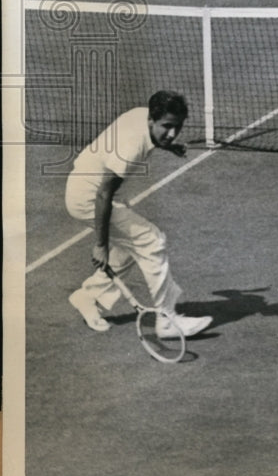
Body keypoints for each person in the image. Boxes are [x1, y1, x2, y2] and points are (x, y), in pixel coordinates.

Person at [65, 90, 213, 338]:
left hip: (88, 186)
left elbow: (152, 139)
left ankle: (88, 296)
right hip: (88, 197)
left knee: (130, 246)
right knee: (152, 241)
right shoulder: (131, 146)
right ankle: (167, 320)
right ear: (152, 120)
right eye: (167, 127)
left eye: (177, 127)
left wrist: (170, 145)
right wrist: (100, 245)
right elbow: (104, 194)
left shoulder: (142, 116)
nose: (172, 133)